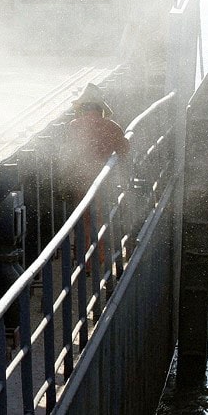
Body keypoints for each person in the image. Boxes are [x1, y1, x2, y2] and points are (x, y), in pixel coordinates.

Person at [64, 83, 130, 274]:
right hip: (102, 183)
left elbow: (66, 155)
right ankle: (94, 261)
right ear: (100, 108)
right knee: (98, 221)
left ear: (82, 108)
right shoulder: (112, 127)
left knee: (81, 221)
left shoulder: (73, 126)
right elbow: (124, 151)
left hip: (79, 181)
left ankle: (82, 261)